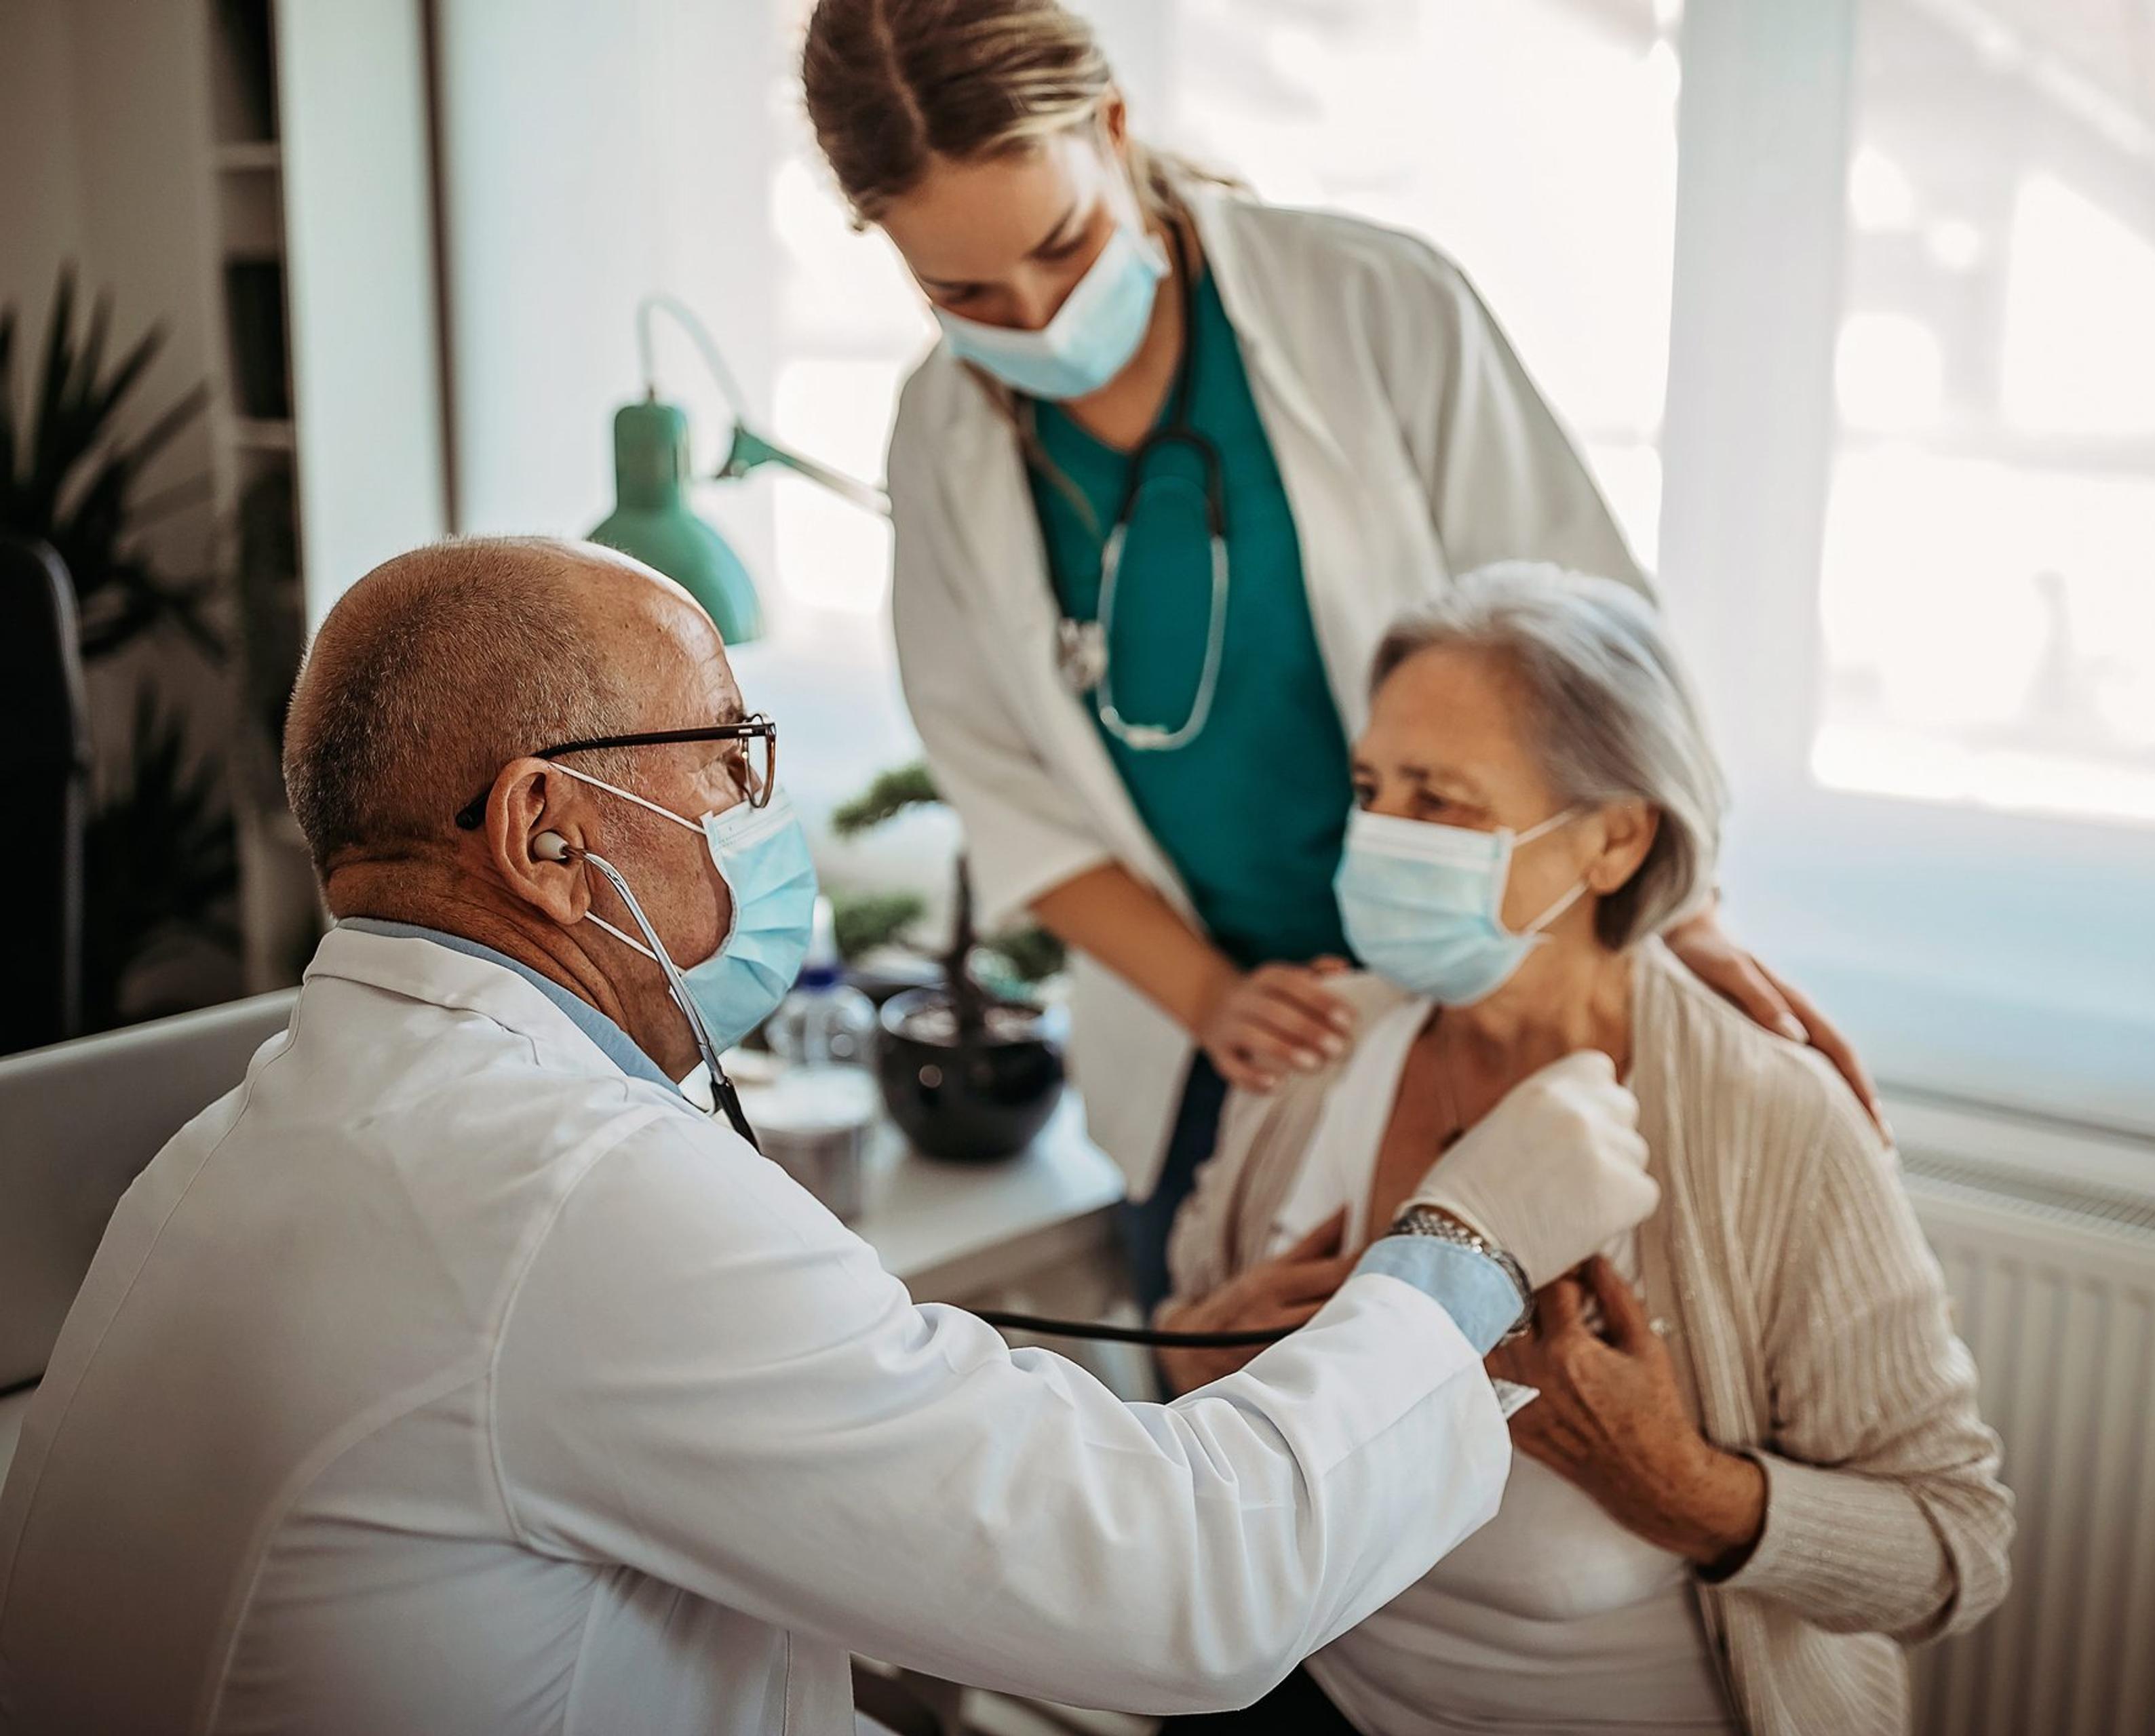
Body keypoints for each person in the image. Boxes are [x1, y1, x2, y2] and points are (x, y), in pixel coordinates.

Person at [0, 539, 1667, 1736]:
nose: (761, 810)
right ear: (548, 831)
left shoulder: (235, 1142)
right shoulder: (570, 1193)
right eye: (727, 758)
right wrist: (1466, 1245)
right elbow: (1177, 1584)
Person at [800, 0, 1880, 1307]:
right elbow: (996, 777)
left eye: (1064, 244)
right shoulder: (939, 435)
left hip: (1503, 976)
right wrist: (1208, 996)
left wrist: (1678, 909)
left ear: (1115, 128)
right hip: (1240, 1045)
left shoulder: (1375, 304)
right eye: (960, 291)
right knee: (1242, 1434)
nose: (1032, 321)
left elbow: (1588, 630)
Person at [1158, 568, 2014, 1736]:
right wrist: (1192, 1370)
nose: (1379, 839)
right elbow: (1181, 1346)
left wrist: (1683, 1489)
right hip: (1315, 1691)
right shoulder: (1319, 1042)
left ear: (1613, 838)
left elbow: (1951, 1550)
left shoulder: (1775, 1123)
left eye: (1442, 801)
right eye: (1370, 788)